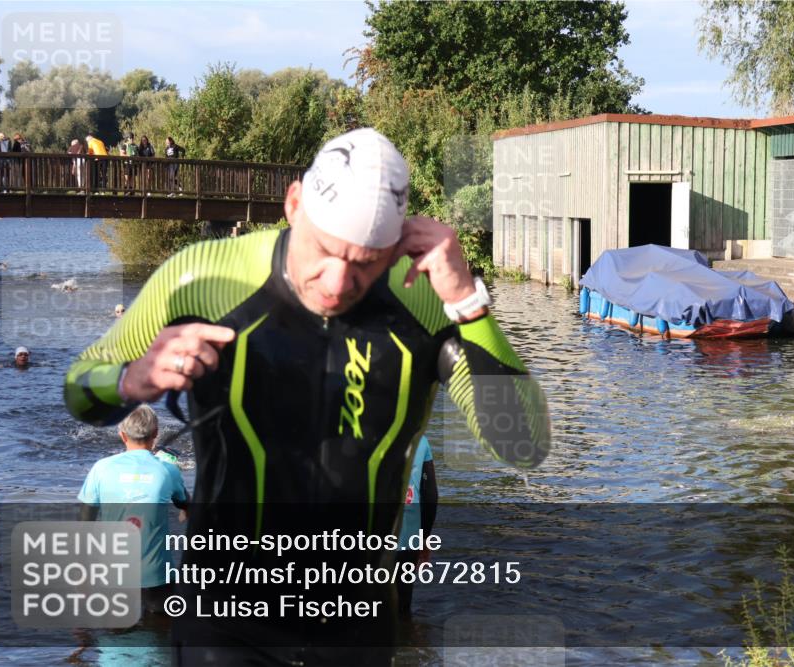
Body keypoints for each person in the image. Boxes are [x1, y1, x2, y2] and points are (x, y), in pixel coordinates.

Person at [64, 128, 550, 664]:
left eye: (367, 261)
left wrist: (467, 301)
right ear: (293, 204)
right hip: (225, 624)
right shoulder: (201, 279)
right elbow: (81, 392)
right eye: (323, 251)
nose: (339, 282)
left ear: (397, 245)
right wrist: (131, 379)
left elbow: (522, 445)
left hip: (357, 627)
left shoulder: (426, 304)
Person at [78, 404, 189, 614]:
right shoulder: (168, 470)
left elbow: (85, 524)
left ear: (122, 435)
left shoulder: (100, 468)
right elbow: (185, 502)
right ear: (155, 433)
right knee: (160, 635)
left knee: (114, 639)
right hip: (157, 578)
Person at [396, 435, 437, 616]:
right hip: (408, 535)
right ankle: (409, 641)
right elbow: (431, 495)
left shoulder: (361, 434)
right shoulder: (421, 440)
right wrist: (425, 538)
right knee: (403, 607)